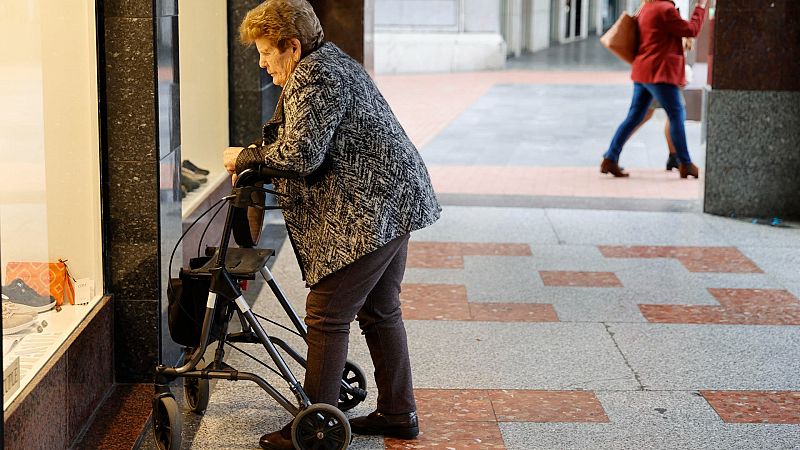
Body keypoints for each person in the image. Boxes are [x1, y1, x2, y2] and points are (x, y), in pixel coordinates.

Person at [222, 1, 441, 448]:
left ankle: (315, 427)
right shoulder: (331, 61)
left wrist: (243, 157)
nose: (262, 63)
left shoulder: (316, 74)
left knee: (326, 315)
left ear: (292, 46)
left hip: (372, 210)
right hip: (392, 201)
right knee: (381, 312)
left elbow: (302, 156)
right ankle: (399, 413)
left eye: (266, 52)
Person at [600, 0, 707, 178]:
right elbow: (691, 30)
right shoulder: (665, 9)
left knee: (634, 117)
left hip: (642, 71)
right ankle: (686, 164)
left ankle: (610, 158)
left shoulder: (648, 6)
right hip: (659, 73)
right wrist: (701, 7)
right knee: (676, 114)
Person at [628, 37, 696, 172]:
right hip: (662, 77)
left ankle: (674, 156)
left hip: (663, 76)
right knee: (644, 116)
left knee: (669, 116)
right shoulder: (670, 21)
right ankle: (613, 152)